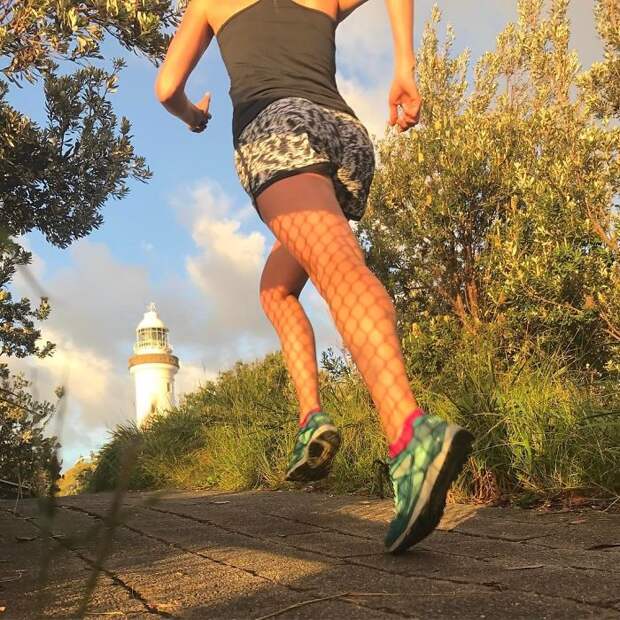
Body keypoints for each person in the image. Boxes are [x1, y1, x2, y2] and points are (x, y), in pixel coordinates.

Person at [154, 0, 473, 554]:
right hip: (344, 135)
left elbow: (165, 88)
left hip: (278, 130)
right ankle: (311, 419)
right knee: (276, 289)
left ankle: (410, 434)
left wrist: (192, 115)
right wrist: (404, 67)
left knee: (337, 263)